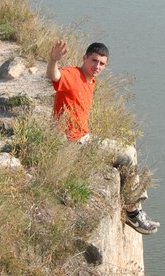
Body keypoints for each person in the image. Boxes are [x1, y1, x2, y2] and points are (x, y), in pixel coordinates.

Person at [47, 39, 159, 235]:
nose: (97, 66)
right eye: (94, 61)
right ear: (84, 58)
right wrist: (53, 60)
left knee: (128, 150)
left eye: (102, 64)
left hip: (84, 137)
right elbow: (54, 76)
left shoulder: (91, 80)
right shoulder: (73, 75)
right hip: (72, 142)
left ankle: (134, 209)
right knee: (128, 155)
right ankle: (133, 213)